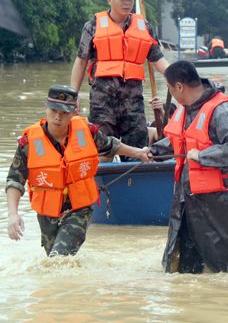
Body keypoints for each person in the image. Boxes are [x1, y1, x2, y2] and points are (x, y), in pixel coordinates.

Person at [6, 85, 151, 256]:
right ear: (45, 108)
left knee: (59, 257)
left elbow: (111, 145)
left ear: (74, 112)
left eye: (64, 112)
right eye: (54, 110)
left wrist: (139, 153)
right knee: (56, 263)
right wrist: (13, 214)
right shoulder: (29, 142)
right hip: (47, 213)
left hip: (80, 208)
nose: (58, 117)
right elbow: (15, 180)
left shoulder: (86, 132)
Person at [151, 61, 228, 273]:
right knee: (182, 269)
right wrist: (153, 152)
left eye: (171, 89)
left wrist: (203, 156)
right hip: (186, 202)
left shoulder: (221, 109)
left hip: (220, 205)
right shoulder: (186, 110)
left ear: (179, 87)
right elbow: (179, 141)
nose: (172, 95)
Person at [70, 0, 169, 155]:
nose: (127, 2)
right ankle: (104, 181)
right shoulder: (92, 26)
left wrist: (178, 80)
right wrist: (73, 95)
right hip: (103, 102)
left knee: (138, 151)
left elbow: (158, 60)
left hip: (133, 103)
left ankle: (135, 180)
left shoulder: (144, 26)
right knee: (103, 150)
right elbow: (81, 61)